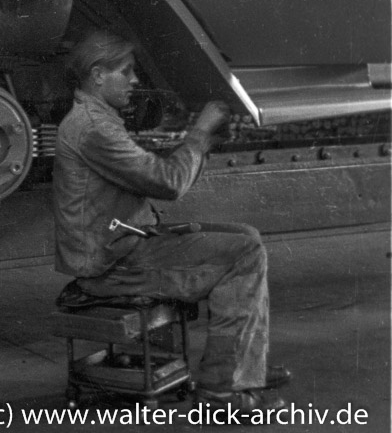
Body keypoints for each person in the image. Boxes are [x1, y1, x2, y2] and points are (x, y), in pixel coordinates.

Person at [53, 29, 288, 416]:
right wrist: (199, 133)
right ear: (97, 75)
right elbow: (168, 182)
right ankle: (222, 393)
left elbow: (150, 170)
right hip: (117, 264)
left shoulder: (95, 120)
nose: (135, 80)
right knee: (244, 252)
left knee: (246, 237)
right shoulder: (93, 128)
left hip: (122, 247)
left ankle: (243, 368)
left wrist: (203, 143)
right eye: (125, 71)